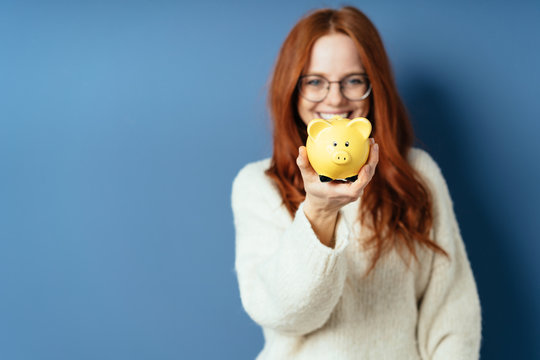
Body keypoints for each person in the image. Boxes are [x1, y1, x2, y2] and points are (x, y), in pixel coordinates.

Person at [231, 6, 481, 360]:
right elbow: (285, 317)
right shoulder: (258, 185)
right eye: (315, 81)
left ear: (374, 86)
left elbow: (452, 311)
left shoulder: (417, 174)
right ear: (293, 89)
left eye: (353, 80)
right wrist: (318, 214)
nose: (335, 99)